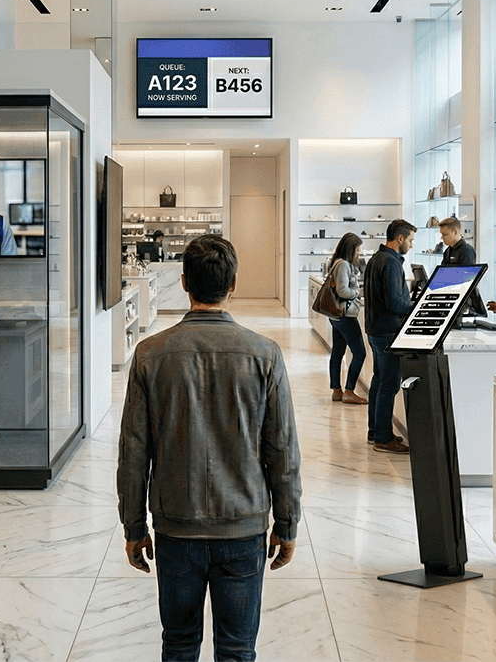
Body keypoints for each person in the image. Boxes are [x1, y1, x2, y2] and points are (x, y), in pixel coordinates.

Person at [117, 234, 302, 662]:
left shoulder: (149, 354)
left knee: (178, 644)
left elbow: (133, 452)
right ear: (233, 284)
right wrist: (287, 523)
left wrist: (133, 526)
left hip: (175, 524)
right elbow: (283, 450)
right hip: (243, 525)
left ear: (183, 283)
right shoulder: (265, 355)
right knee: (237, 649)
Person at [363, 219, 416, 453]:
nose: (412, 245)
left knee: (379, 381)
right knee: (389, 384)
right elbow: (395, 302)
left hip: (376, 330)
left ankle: (375, 430)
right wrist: (416, 306)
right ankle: (383, 438)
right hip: (387, 332)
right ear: (400, 239)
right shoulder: (392, 263)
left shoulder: (376, 259)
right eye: (411, 240)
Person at [326, 232, 367, 405]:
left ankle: (337, 390)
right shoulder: (343, 265)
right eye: (358, 249)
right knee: (359, 352)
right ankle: (349, 391)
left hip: (336, 315)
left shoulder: (337, 262)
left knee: (338, 352)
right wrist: (358, 293)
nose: (359, 253)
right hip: (345, 315)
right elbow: (342, 291)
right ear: (351, 249)